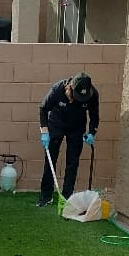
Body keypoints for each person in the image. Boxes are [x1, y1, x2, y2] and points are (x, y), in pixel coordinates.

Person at [37, 72, 99, 207]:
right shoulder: (58, 89)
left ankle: (67, 198)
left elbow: (94, 115)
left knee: (72, 163)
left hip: (77, 128)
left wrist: (92, 132)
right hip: (56, 124)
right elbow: (43, 108)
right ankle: (46, 196)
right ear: (71, 88)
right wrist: (44, 131)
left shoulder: (92, 94)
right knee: (50, 160)